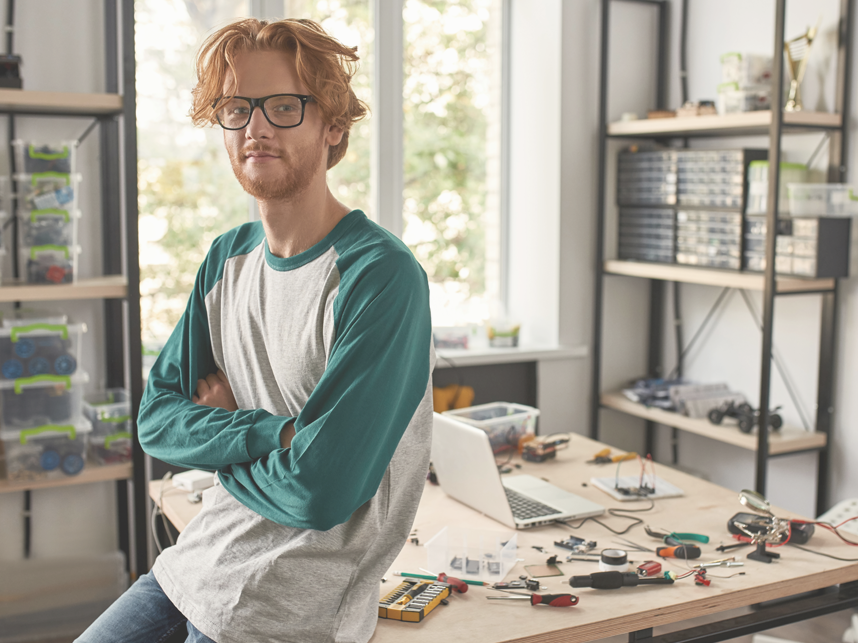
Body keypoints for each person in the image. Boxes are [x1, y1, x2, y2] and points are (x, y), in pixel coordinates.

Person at [77, 17, 434, 643]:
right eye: (237, 109)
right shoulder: (226, 259)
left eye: (284, 107)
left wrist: (218, 447)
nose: (256, 128)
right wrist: (274, 431)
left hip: (281, 612)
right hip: (191, 565)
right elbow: (156, 421)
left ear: (333, 126)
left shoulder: (381, 277)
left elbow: (320, 494)